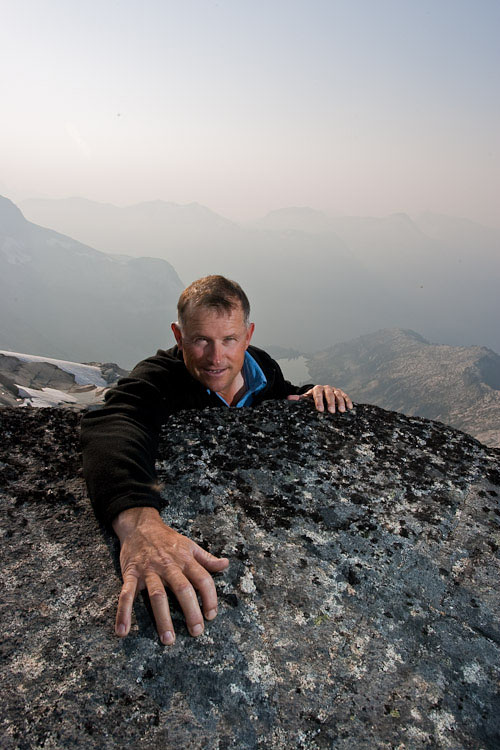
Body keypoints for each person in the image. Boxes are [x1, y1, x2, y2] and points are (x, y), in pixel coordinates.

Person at [81, 275, 352, 646]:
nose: (216, 357)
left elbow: (283, 394)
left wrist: (313, 393)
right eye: (200, 340)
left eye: (229, 339)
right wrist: (139, 522)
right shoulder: (161, 378)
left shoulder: (263, 369)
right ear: (179, 337)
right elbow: (115, 421)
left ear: (248, 334)